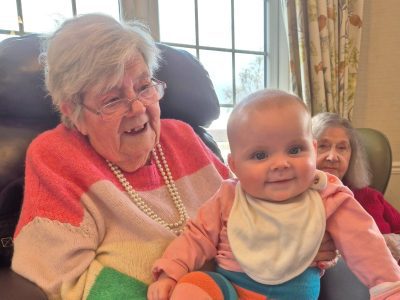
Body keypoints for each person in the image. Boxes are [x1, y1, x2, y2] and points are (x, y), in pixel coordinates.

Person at [10, 14, 335, 299]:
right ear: (73, 111)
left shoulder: (182, 135)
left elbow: (254, 204)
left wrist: (306, 235)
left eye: (143, 87)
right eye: (112, 99)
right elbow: (60, 281)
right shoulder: (56, 157)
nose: (137, 108)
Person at [148, 89, 400, 300]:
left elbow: (365, 242)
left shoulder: (327, 195)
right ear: (235, 166)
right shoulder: (228, 196)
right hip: (230, 288)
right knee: (192, 287)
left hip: (292, 293)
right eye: (260, 155)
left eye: (294, 149)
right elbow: (197, 235)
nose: (281, 164)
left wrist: (389, 287)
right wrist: (172, 270)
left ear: (312, 150)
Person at [312, 112, 400, 262]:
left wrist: (389, 243)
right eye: (323, 146)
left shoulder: (369, 196)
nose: (332, 157)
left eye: (342, 148)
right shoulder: (294, 202)